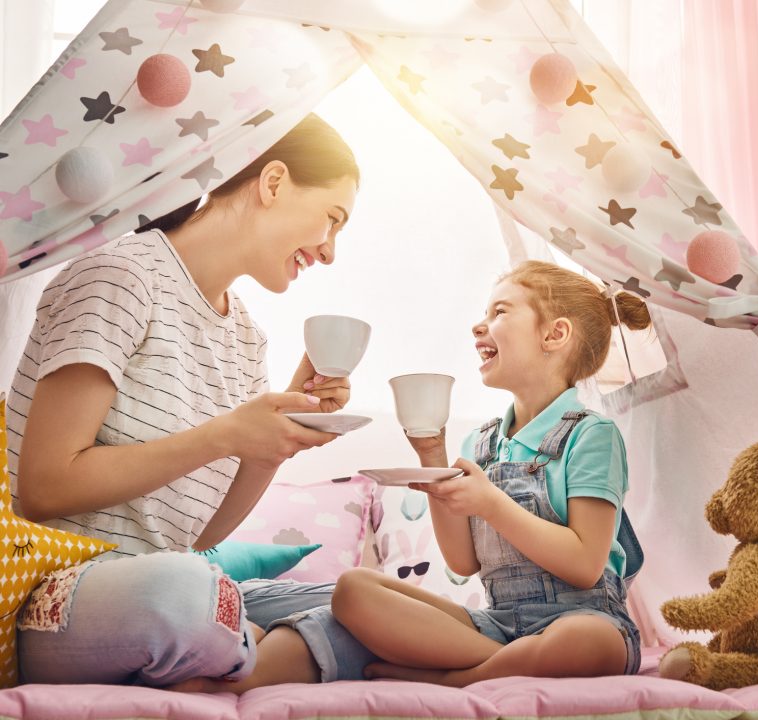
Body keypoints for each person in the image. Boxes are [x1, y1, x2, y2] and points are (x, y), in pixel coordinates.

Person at [7, 113, 378, 687]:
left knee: (372, 604)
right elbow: (44, 487)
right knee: (186, 595)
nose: (329, 252)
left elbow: (195, 539)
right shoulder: (121, 277)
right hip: (56, 590)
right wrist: (224, 434)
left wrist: (271, 445)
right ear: (272, 182)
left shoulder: (246, 339)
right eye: (332, 220)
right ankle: (257, 656)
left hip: (166, 579)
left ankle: (225, 661)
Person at [330, 260, 650, 686]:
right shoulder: (479, 445)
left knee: (584, 640)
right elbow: (463, 562)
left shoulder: (592, 435)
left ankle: (457, 677)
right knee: (354, 590)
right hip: (497, 623)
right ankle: (502, 664)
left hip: (586, 616)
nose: (479, 327)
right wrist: (432, 457)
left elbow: (585, 565)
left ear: (554, 334)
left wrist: (491, 503)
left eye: (500, 312)